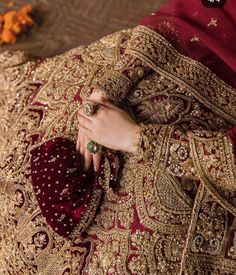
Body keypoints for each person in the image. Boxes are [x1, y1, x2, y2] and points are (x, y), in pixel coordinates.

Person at [0, 0, 236, 273]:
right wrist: (110, 88)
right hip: (188, 44)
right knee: (52, 122)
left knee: (142, 240)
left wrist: (136, 139)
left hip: (213, 138)